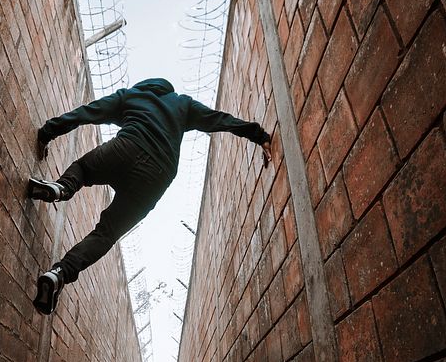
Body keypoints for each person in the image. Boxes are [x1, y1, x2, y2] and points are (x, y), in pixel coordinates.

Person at [28, 77, 272, 314]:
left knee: (82, 169)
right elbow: (218, 119)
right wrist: (258, 135)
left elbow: (88, 112)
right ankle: (59, 274)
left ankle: (62, 188)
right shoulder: (182, 104)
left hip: (126, 147)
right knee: (107, 233)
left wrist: (48, 131)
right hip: (157, 175)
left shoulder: (130, 95)